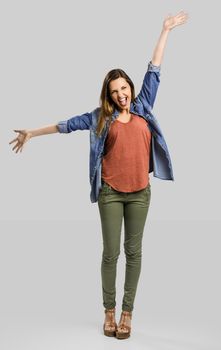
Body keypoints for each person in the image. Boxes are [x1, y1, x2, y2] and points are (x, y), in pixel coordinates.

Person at [9, 11, 188, 340]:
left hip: (140, 193)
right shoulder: (99, 118)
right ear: (108, 95)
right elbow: (66, 125)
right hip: (110, 192)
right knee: (111, 253)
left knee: (135, 253)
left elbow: (155, 69)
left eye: (125, 88)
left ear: (131, 88)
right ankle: (108, 311)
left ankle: (127, 313)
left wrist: (165, 31)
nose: (122, 94)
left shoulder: (143, 106)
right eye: (115, 91)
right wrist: (32, 133)